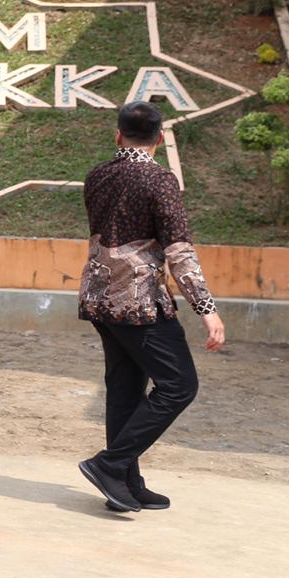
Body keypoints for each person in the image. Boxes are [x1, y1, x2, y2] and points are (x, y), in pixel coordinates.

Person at [77, 101, 225, 513]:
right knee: (179, 386)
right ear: (160, 138)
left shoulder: (97, 176)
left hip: (99, 298)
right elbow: (179, 250)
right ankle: (110, 465)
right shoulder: (160, 180)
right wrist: (206, 308)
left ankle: (124, 483)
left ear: (117, 135)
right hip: (139, 304)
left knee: (124, 390)